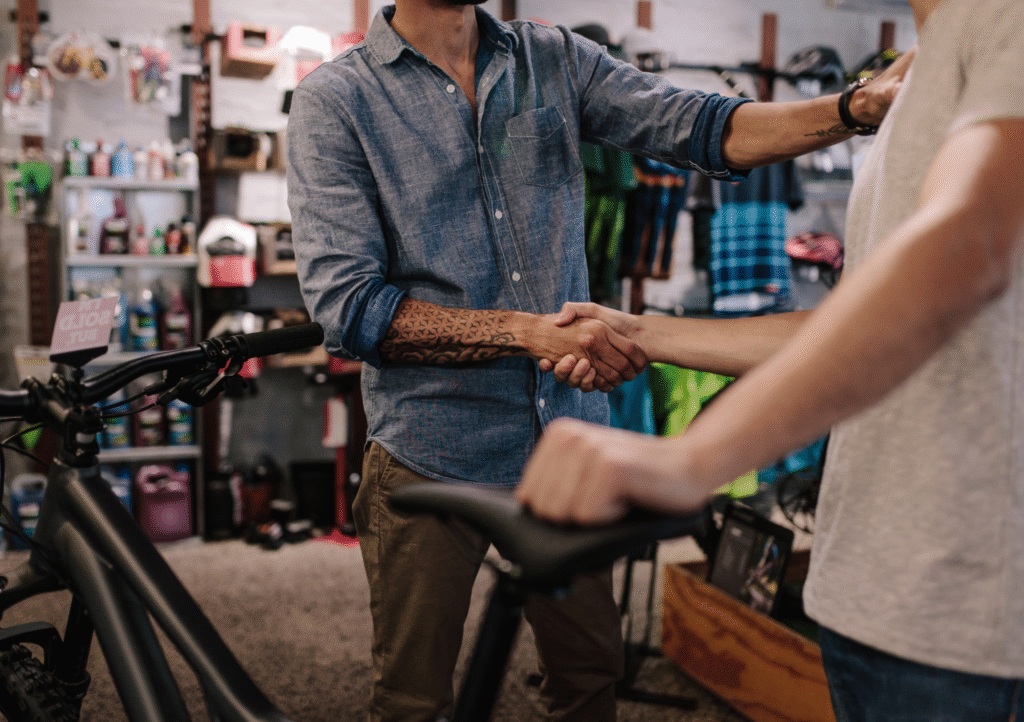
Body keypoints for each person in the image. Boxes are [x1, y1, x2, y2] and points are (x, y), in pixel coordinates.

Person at [286, 1, 908, 720]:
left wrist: (855, 107)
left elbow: (702, 126)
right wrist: (528, 334)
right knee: (412, 697)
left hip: (570, 442)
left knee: (589, 676)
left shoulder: (551, 58)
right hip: (430, 447)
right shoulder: (338, 99)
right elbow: (350, 310)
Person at [516, 0, 1024, 719]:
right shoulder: (925, 67)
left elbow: (967, 248)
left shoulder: (1005, 19)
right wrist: (641, 332)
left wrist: (689, 461)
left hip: (971, 607)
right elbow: (843, 327)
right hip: (871, 585)